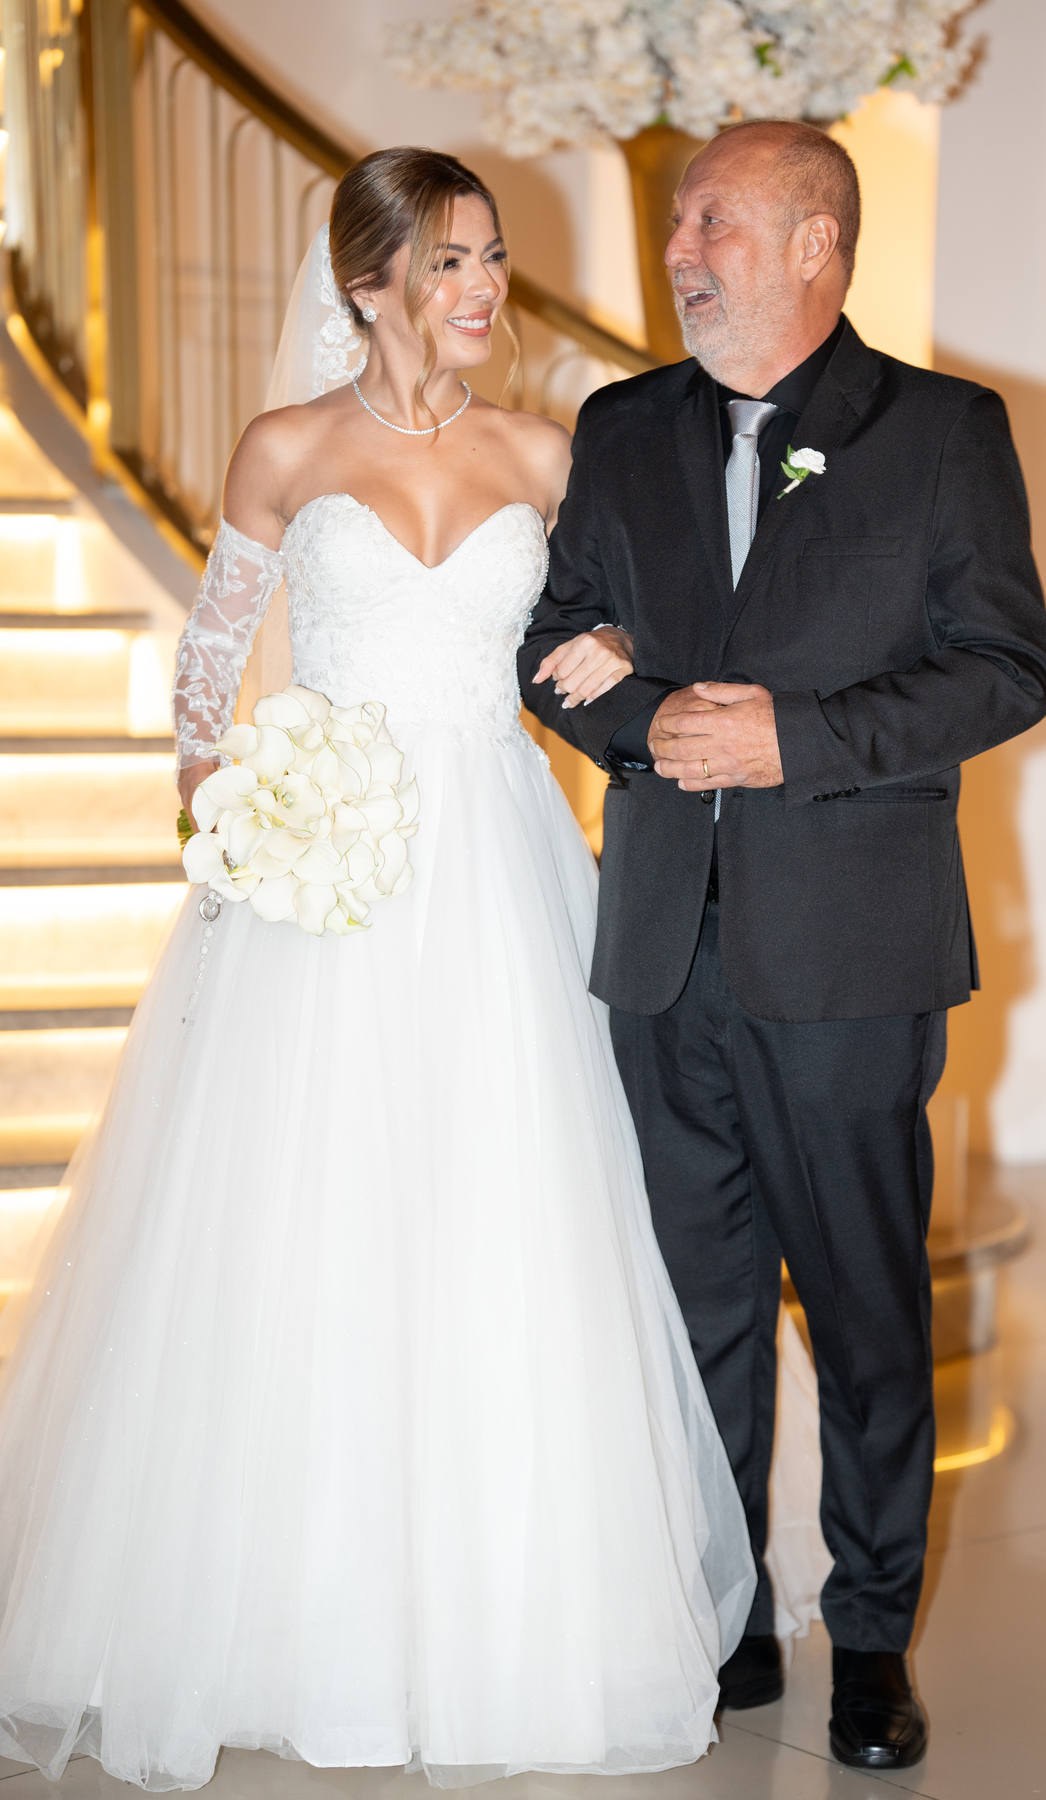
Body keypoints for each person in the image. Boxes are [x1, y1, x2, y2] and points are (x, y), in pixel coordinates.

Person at [0, 148, 761, 1790]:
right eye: (450, 263)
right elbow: (210, 669)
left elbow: (641, 618)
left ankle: (500, 1611)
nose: (483, 289)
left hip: (494, 862)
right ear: (367, 286)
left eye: (491, 258)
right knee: (309, 1216)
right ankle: (294, 1616)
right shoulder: (286, 447)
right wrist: (229, 808)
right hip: (321, 879)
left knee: (502, 1207)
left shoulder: (544, 451)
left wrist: (623, 647)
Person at [519, 119, 1046, 1772]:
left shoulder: (947, 431)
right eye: (683, 224)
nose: (680, 251)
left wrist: (793, 740)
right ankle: (731, 1612)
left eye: (715, 224)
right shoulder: (621, 426)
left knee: (867, 1313)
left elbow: (1005, 670)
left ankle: (873, 1636)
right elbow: (553, 642)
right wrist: (649, 725)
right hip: (658, 955)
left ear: (818, 244)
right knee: (697, 1314)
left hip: (850, 963)